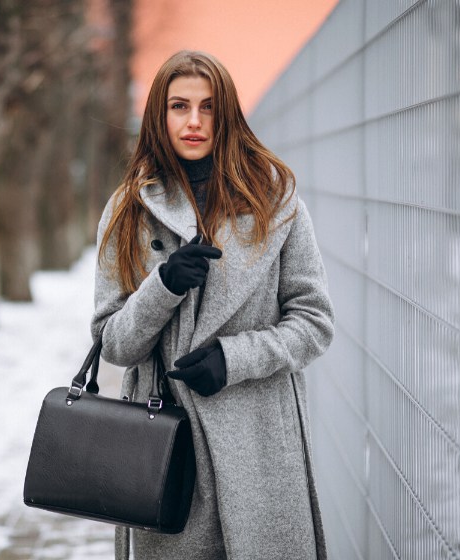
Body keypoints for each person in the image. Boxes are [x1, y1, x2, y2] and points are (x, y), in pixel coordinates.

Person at [91, 50, 335, 560]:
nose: (195, 122)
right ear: (160, 115)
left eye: (209, 108)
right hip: (166, 443)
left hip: (261, 438)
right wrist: (162, 288)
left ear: (229, 116)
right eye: (180, 106)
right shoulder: (128, 211)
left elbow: (314, 322)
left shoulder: (277, 200)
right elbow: (113, 344)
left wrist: (235, 358)